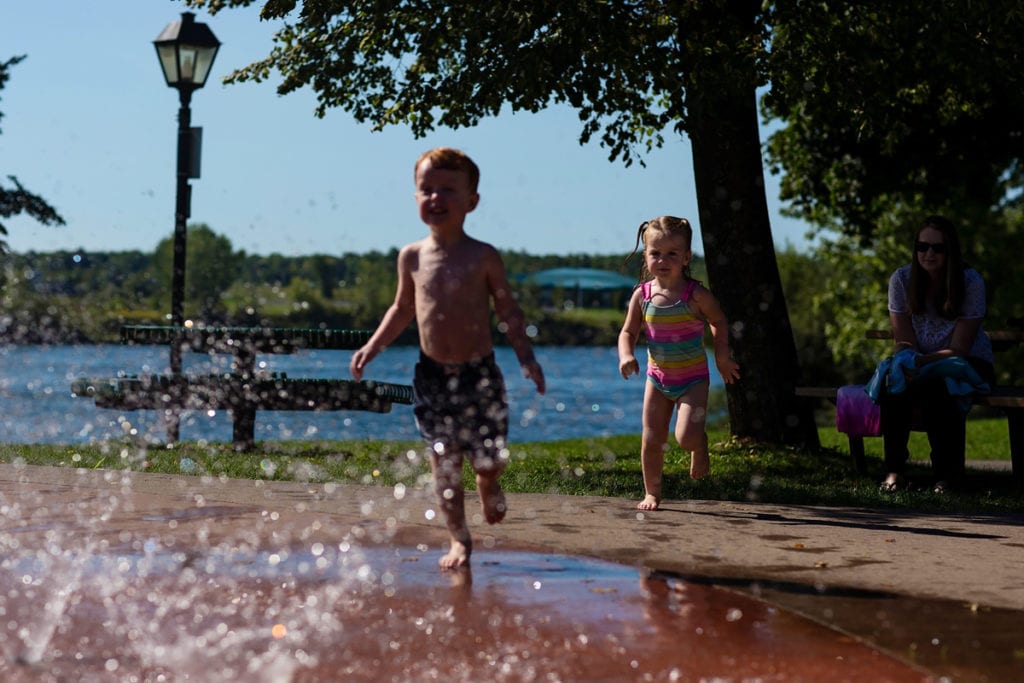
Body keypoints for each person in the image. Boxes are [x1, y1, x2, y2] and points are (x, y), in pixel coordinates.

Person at [349, 147, 546, 570]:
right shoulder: (412, 257)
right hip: (432, 375)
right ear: (416, 197)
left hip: (480, 373)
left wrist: (526, 358)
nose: (435, 198)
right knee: (445, 464)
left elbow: (508, 311)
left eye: (447, 190)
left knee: (489, 459)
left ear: (472, 201)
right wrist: (372, 346)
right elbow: (401, 309)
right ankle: (459, 539)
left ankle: (489, 484)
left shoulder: (483, 256)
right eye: (426, 189)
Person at [617, 216, 740, 511]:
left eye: (672, 253)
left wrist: (722, 357)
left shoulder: (696, 295)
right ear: (646, 256)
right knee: (651, 438)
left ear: (686, 257)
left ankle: (699, 444)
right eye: (655, 252)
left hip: (693, 381)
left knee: (684, 438)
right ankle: (652, 493)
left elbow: (719, 322)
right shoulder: (641, 296)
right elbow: (628, 332)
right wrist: (626, 355)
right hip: (657, 380)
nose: (663, 259)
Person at [879, 215, 994, 494]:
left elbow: (959, 349)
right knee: (894, 383)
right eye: (922, 246)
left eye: (937, 248)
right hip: (920, 360)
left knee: (936, 386)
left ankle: (946, 475)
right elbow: (903, 340)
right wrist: (907, 364)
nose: (928, 253)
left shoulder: (970, 281)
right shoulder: (902, 280)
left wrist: (921, 363)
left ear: (950, 251)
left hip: (967, 362)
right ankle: (894, 471)